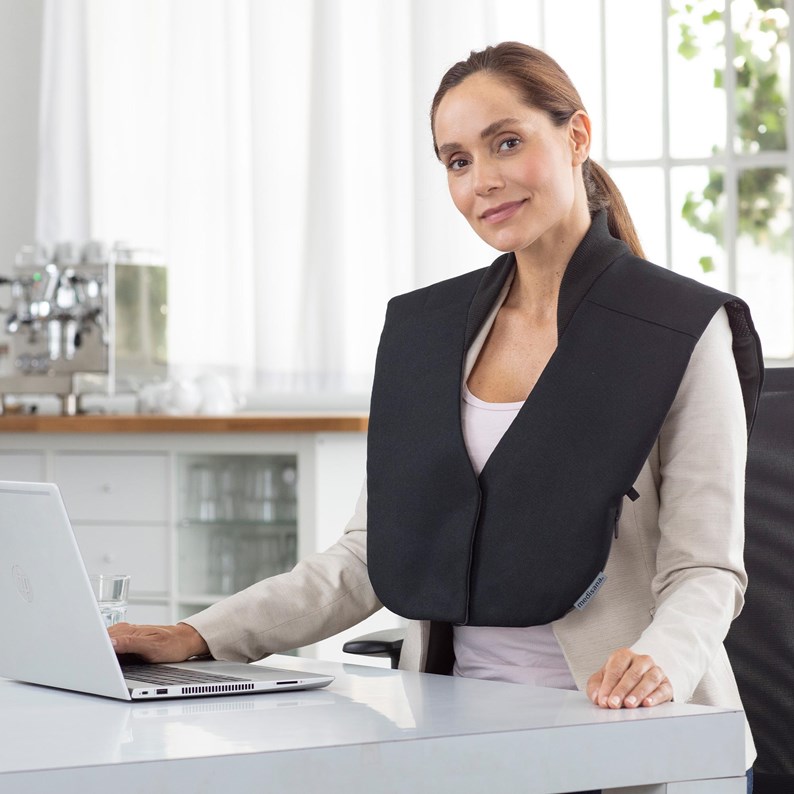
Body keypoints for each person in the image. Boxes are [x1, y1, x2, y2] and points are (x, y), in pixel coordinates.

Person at [110, 42, 761, 792]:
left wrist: (659, 663)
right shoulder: (426, 332)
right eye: (457, 160)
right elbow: (368, 558)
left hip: (632, 736)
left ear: (577, 136)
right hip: (452, 733)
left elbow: (706, 569)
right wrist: (197, 635)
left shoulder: (679, 328)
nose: (483, 180)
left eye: (506, 143)